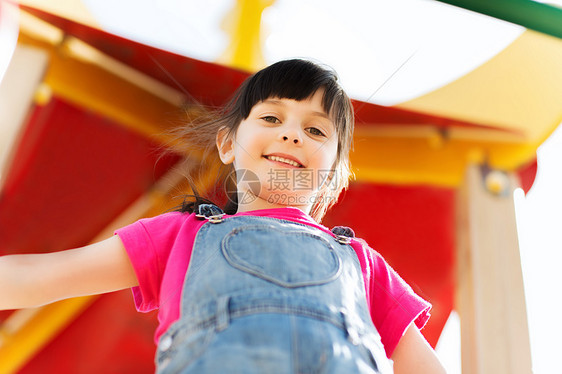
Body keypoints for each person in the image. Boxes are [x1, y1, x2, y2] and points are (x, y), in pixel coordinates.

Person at [0, 59, 446, 373]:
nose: (292, 134)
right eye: (272, 118)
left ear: (336, 173)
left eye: (314, 129)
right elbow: (47, 275)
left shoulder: (363, 265)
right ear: (228, 144)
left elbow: (421, 365)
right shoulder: (179, 235)